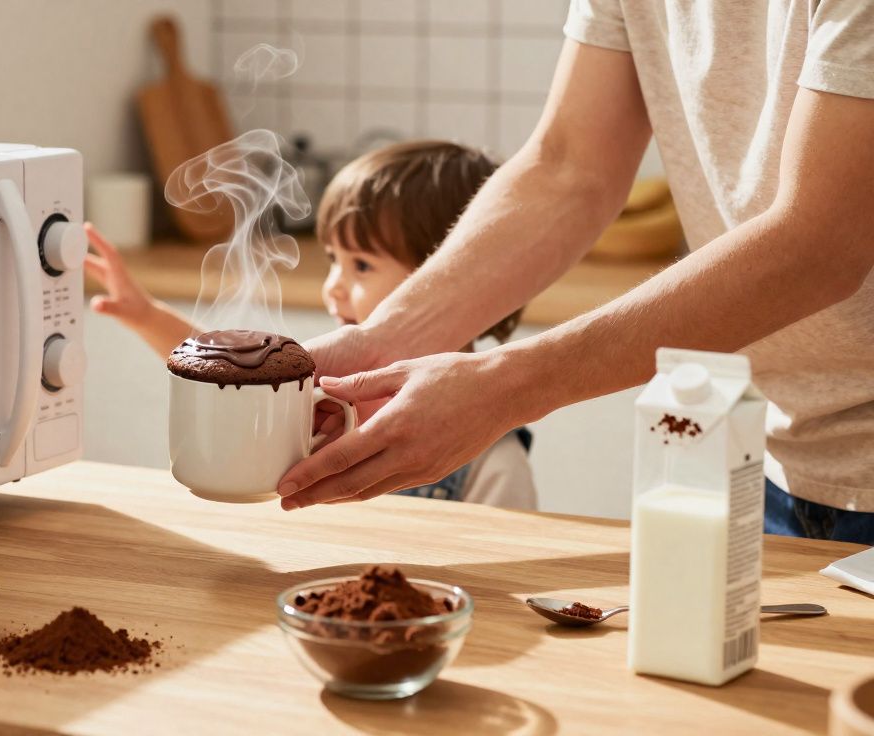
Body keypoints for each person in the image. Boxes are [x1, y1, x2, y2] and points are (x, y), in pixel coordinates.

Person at [274, 2, 874, 543]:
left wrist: (504, 388)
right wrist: (384, 341)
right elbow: (569, 167)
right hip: (774, 453)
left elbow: (819, 242)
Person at [85, 141, 537, 510]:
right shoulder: (326, 388)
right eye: (333, 260)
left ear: (451, 278)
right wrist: (146, 315)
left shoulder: (492, 455)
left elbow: (509, 555)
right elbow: (225, 378)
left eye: (361, 265)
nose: (334, 286)